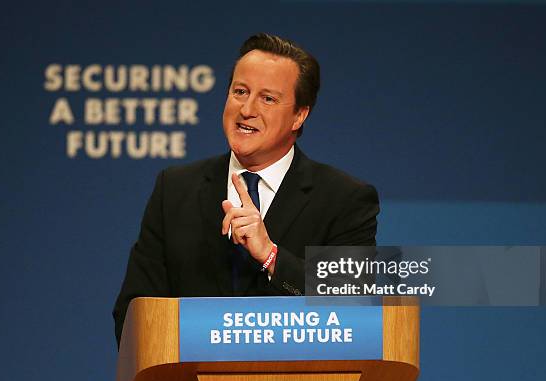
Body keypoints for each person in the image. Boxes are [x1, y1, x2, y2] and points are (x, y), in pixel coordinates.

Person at [113, 33, 379, 346]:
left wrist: (271, 257)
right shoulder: (175, 189)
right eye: (240, 91)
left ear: (299, 115)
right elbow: (133, 313)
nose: (247, 109)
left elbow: (352, 312)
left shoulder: (344, 199)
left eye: (268, 98)